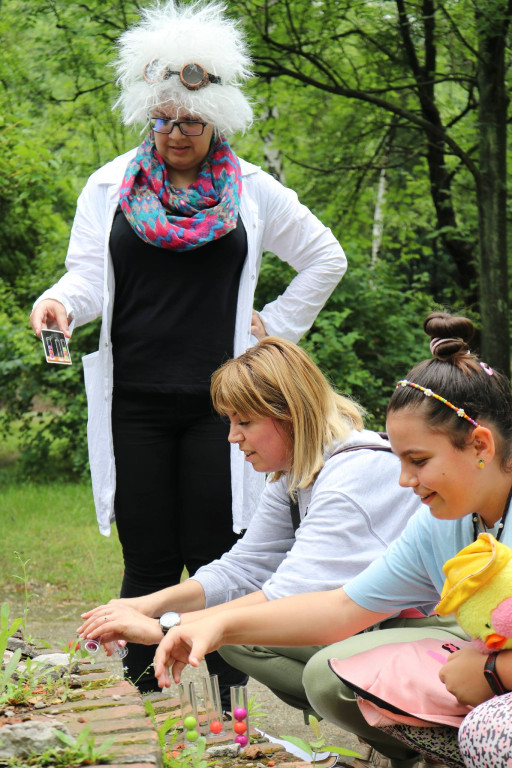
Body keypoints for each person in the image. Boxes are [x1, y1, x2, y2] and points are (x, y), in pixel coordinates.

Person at [29, 1, 346, 702]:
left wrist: (278, 327)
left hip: (224, 409)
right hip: (134, 400)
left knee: (218, 555)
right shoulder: (110, 186)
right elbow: (87, 279)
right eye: (163, 119)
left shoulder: (252, 193)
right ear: (150, 114)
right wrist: (60, 302)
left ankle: (226, 706)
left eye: (192, 121)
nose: (176, 133)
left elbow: (326, 257)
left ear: (218, 119)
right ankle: (147, 706)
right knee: (146, 555)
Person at [151, 312, 512, 768]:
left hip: (479, 664)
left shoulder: (351, 477)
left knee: (487, 729)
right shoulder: (439, 521)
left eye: (418, 460)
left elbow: (293, 592)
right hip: (472, 656)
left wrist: (491, 671)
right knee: (324, 671)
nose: (404, 480)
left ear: (480, 445)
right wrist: (214, 626)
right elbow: (341, 608)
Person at [78, 336, 424, 723]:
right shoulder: (295, 476)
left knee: (322, 675)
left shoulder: (350, 478)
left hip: (433, 627)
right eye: (229, 421)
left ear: (291, 413)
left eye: (244, 422)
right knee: (236, 641)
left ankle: (405, 747)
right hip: (376, 620)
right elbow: (243, 568)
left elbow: (291, 596)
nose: (232, 437)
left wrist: (162, 627)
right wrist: (145, 604)